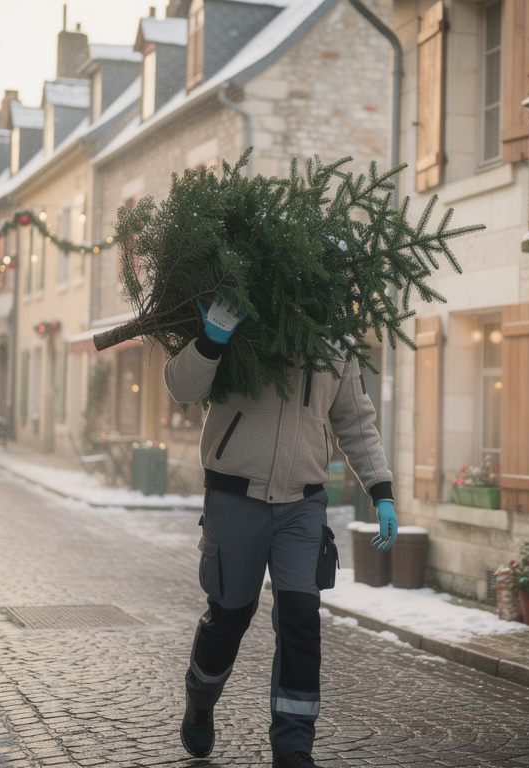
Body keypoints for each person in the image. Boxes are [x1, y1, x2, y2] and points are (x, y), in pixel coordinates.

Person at [166, 293, 397, 768]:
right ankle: (200, 699)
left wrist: (381, 490)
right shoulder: (243, 320)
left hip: (303, 503)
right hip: (235, 496)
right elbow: (182, 388)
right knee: (229, 614)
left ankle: (293, 747)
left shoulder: (337, 342)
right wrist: (211, 340)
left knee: (300, 624)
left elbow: (355, 420)